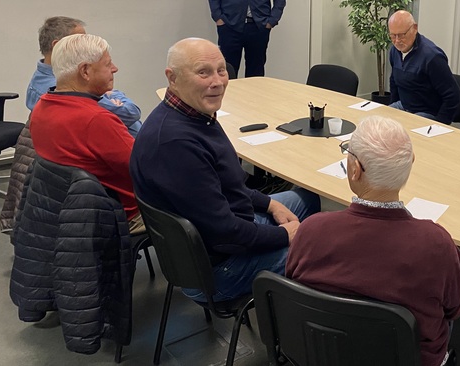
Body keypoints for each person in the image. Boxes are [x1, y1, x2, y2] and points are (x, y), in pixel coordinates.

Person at [130, 38, 319, 300]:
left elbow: (229, 185)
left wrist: (270, 205)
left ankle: (290, 292)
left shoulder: (193, 114)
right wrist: (282, 236)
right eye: (203, 72)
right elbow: (226, 233)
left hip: (223, 234)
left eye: (221, 70)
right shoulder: (176, 144)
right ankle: (289, 313)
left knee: (305, 199)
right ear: (172, 78)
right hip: (219, 267)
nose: (217, 81)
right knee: (322, 251)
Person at [286, 115, 460, 366]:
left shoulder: (311, 231)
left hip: (321, 353)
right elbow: (455, 309)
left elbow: (295, 288)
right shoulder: (436, 244)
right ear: (410, 163)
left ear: (355, 169)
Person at [30, 34, 143, 233]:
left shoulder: (41, 107)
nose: (115, 68)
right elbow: (143, 170)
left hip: (72, 211)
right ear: (85, 71)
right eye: (108, 64)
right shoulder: (96, 119)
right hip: (120, 213)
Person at [26, 16, 142, 136]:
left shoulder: (57, 79)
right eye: (79, 41)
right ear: (57, 46)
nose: (86, 45)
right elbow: (130, 113)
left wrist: (110, 94)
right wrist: (111, 97)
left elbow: (110, 92)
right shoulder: (57, 89)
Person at [388, 10, 460, 124]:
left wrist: (439, 125)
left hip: (427, 111)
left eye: (402, 35)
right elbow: (394, 82)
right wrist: (393, 110)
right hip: (404, 105)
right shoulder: (395, 51)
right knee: (378, 123)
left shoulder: (432, 56)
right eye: (393, 35)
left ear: (414, 28)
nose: (397, 41)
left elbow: (453, 95)